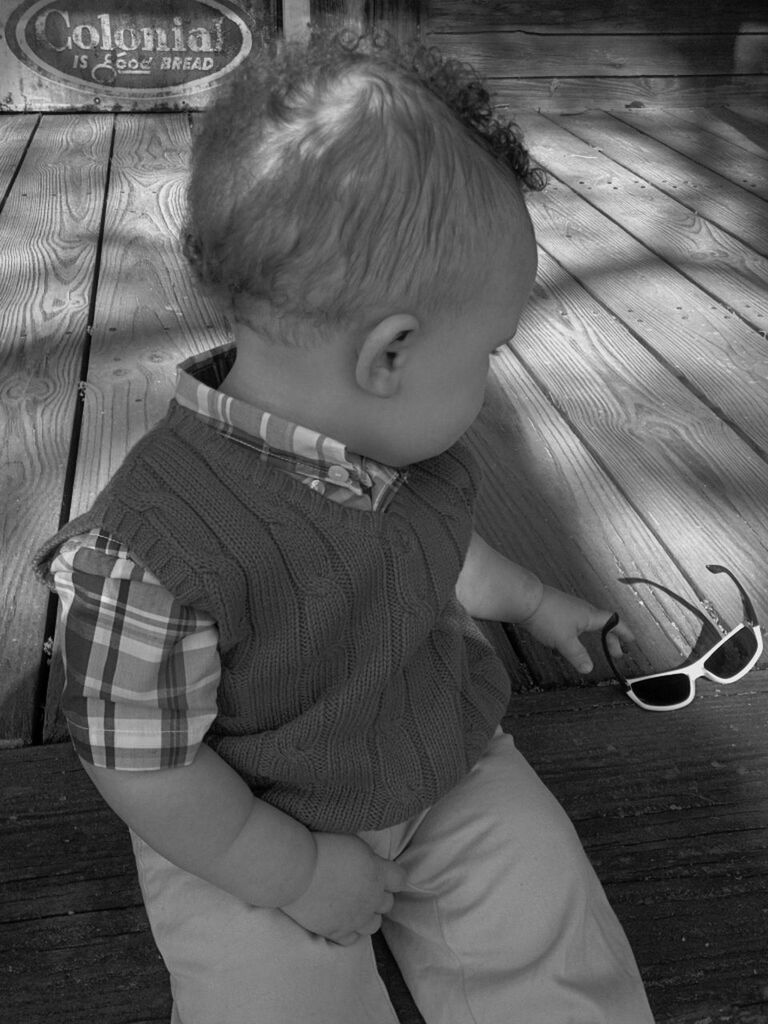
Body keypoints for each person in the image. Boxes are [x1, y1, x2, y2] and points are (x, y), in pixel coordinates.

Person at [35, 30, 655, 1024]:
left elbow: (437, 550)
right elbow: (139, 760)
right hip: (247, 816)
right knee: (272, 999)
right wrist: (288, 870)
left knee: (545, 911)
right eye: (490, 349)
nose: (492, 375)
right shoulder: (153, 552)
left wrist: (531, 598)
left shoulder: (401, 453)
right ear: (390, 353)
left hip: (430, 750)